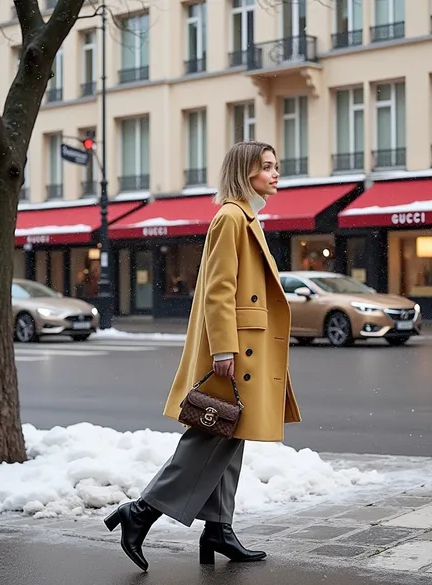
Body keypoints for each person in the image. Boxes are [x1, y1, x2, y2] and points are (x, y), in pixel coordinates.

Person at [104, 141, 302, 571]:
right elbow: (218, 289)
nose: (275, 173)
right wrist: (224, 347)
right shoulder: (231, 217)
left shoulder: (247, 216)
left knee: (231, 432)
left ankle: (218, 528)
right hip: (238, 346)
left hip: (249, 342)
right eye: (266, 167)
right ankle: (140, 513)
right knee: (211, 434)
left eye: (276, 166)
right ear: (245, 171)